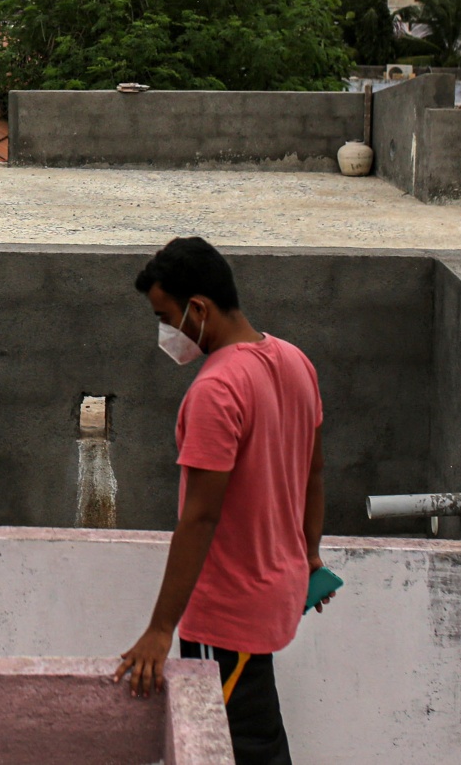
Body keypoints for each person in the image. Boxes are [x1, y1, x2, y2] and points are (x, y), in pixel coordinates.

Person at [114, 237, 326, 765]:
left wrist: (161, 629)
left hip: (227, 614)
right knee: (257, 736)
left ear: (200, 309)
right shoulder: (296, 362)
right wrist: (311, 557)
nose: (166, 332)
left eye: (167, 317)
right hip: (276, 593)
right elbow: (314, 474)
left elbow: (200, 516)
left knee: (231, 748)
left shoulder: (216, 390)